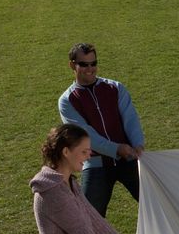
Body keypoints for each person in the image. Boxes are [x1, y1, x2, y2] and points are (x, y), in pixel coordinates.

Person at [58, 42, 145, 217]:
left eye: (93, 63)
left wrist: (138, 144)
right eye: (83, 64)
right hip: (96, 164)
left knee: (155, 202)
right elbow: (86, 135)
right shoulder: (67, 100)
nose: (90, 69)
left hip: (128, 158)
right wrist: (116, 149)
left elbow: (131, 119)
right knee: (90, 217)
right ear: (72, 65)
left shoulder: (116, 88)